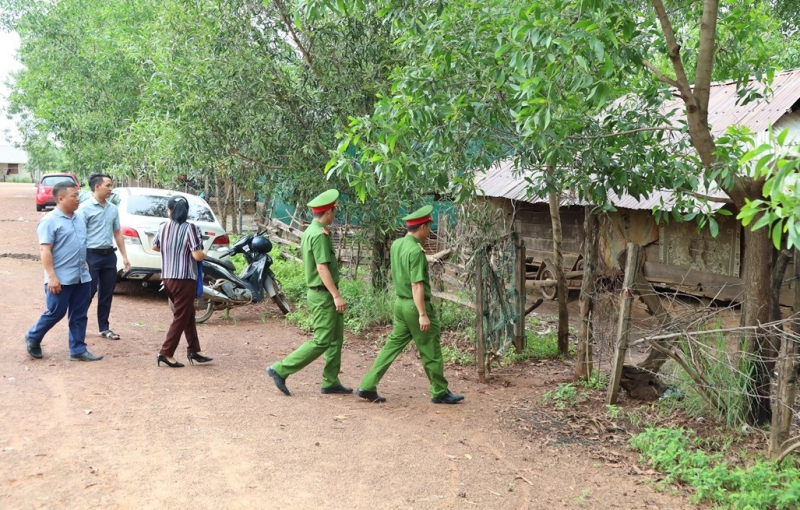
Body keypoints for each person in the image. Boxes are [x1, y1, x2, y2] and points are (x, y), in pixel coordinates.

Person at [357, 205, 464, 404]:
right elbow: (417, 285)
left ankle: (367, 384)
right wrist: (423, 314)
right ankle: (440, 391)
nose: (430, 231)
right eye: (429, 226)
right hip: (415, 306)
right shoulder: (415, 251)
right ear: (422, 227)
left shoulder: (397, 244)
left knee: (391, 347)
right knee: (430, 348)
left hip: (400, 304)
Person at [266, 189, 351, 396]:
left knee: (336, 337)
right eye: (334, 211)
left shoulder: (311, 231)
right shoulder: (319, 235)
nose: (334, 215)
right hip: (323, 294)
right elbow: (322, 268)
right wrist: (336, 295)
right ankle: (280, 368)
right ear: (328, 212)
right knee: (322, 339)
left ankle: (331, 381)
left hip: (323, 293)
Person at [24, 180, 103, 362]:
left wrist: (84, 263)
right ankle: (33, 336)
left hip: (81, 275)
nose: (78, 199)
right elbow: (45, 250)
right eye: (74, 196)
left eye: (78, 195)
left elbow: (79, 244)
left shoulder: (79, 218)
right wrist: (51, 276)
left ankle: (78, 350)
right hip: (60, 277)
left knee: (79, 314)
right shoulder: (49, 221)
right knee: (56, 312)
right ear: (60, 198)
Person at [152, 195, 212, 368]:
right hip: (184, 278)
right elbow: (197, 254)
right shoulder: (190, 228)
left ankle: (194, 349)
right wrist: (204, 253)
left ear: (169, 210)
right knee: (181, 316)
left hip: (167, 277)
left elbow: (155, 246)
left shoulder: (163, 227)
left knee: (187, 314)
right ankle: (166, 352)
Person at [76, 173, 130, 340]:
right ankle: (78, 326)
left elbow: (117, 232)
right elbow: (79, 236)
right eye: (108, 185)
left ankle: (104, 328)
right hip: (91, 256)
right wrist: (82, 258)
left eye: (111, 185)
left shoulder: (113, 209)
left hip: (109, 256)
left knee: (106, 293)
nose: (110, 189)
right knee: (88, 292)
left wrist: (124, 256)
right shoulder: (84, 209)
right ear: (97, 187)